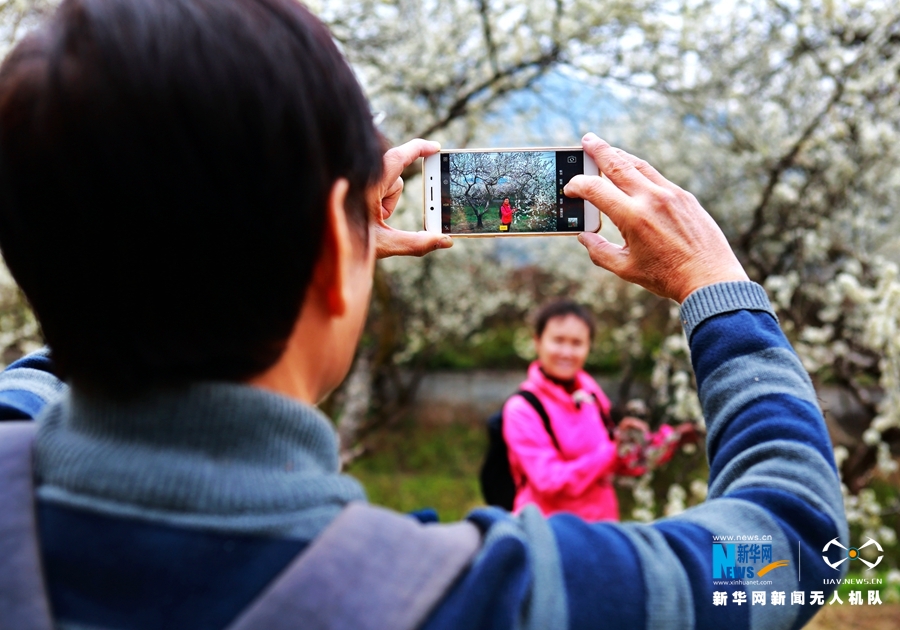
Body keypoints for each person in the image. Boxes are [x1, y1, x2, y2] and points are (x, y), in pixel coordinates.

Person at [0, 1, 847, 628]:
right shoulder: (473, 601)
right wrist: (713, 281)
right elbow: (788, 543)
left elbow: (71, 344)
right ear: (338, 259)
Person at [503, 299, 684, 522]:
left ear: (589, 346)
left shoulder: (590, 393)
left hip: (601, 526)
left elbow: (618, 462)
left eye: (577, 343)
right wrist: (612, 452)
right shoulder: (522, 409)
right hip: (549, 533)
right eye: (558, 341)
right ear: (537, 342)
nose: (567, 352)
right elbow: (548, 481)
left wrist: (665, 441)